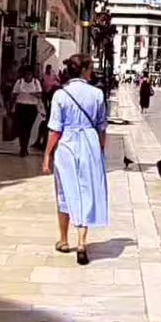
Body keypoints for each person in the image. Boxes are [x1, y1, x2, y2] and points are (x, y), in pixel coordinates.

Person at [42, 57, 108, 265]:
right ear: (84, 70)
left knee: (64, 190)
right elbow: (102, 126)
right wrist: (101, 149)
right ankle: (81, 241)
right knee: (86, 191)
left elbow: (55, 129)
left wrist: (47, 155)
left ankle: (63, 240)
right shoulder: (97, 94)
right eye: (90, 68)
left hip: (67, 145)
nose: (92, 72)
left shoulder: (60, 95)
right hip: (89, 143)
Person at [10, 66, 44, 157]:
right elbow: (14, 93)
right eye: (26, 74)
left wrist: (34, 94)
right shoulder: (19, 82)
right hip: (20, 106)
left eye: (29, 74)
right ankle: (22, 148)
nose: (28, 76)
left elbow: (40, 94)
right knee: (21, 128)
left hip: (31, 107)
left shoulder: (36, 82)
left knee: (28, 128)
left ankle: (25, 147)